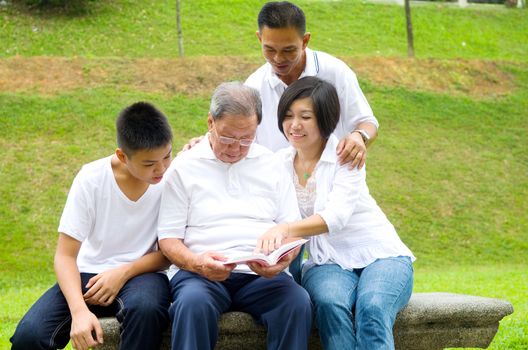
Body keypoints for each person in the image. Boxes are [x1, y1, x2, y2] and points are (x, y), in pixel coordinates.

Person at [255, 76, 415, 350]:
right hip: (325, 261)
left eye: (305, 116)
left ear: (325, 119)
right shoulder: (277, 163)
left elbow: (336, 217)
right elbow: (242, 155)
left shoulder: (346, 155)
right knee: (330, 305)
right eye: (288, 115)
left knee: (373, 307)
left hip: (381, 254)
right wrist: (203, 142)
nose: (294, 124)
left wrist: (285, 229)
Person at [158, 82, 312, 350]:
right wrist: (197, 263)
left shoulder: (271, 165)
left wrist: (283, 259)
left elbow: (293, 229)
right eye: (228, 138)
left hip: (260, 275)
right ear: (210, 123)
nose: (236, 148)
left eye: (246, 139)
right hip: (200, 274)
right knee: (192, 304)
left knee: (296, 302)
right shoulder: (184, 168)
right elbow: (168, 239)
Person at [10, 102, 173, 350]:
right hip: (89, 274)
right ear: (122, 156)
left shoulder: (173, 179)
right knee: (29, 336)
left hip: (144, 274)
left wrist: (123, 272)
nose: (161, 169)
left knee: (146, 309)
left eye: (167, 156)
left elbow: (169, 252)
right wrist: (78, 311)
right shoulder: (92, 178)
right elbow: (65, 255)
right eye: (149, 164)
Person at [246, 1, 378, 169]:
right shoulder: (252, 87)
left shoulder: (335, 72)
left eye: (288, 50)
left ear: (305, 40)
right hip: (277, 188)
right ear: (259, 38)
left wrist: (360, 136)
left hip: (333, 182)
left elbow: (367, 122)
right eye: (270, 49)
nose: (278, 59)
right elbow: (238, 136)